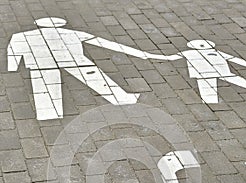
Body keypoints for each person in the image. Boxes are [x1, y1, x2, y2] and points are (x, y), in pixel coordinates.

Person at [7, 17, 163, 120]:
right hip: (75, 61)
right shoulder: (74, 33)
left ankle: (48, 113)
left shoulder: (22, 36)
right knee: (96, 79)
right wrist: (144, 55)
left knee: (45, 89)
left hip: (40, 64)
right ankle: (121, 98)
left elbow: (13, 51)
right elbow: (104, 43)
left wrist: (12, 67)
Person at [159, 39, 246, 103]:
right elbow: (170, 58)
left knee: (240, 82)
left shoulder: (215, 52)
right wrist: (148, 55)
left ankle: (212, 109)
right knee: (209, 96)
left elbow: (234, 59)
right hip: (205, 75)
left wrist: (148, 55)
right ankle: (213, 110)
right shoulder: (188, 53)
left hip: (219, 73)